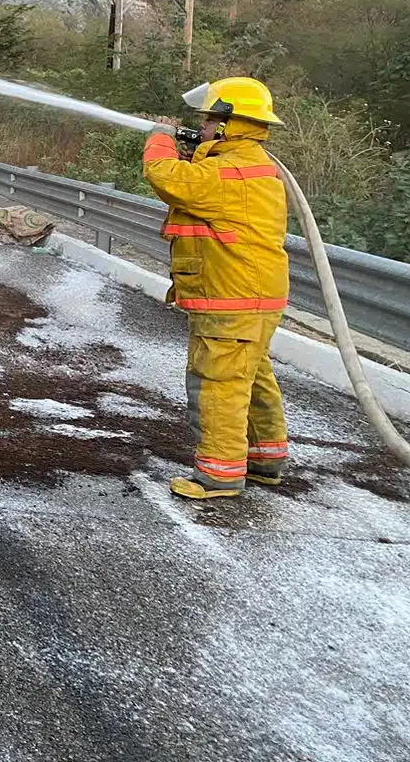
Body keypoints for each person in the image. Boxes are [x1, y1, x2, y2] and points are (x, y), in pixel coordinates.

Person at [142, 77, 290, 502]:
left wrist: (159, 139)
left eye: (208, 119)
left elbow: (166, 177)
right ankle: (264, 459)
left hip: (232, 294)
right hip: (252, 293)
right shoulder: (246, 163)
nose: (202, 126)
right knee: (252, 375)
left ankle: (219, 474)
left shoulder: (229, 170)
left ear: (228, 123)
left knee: (218, 381)